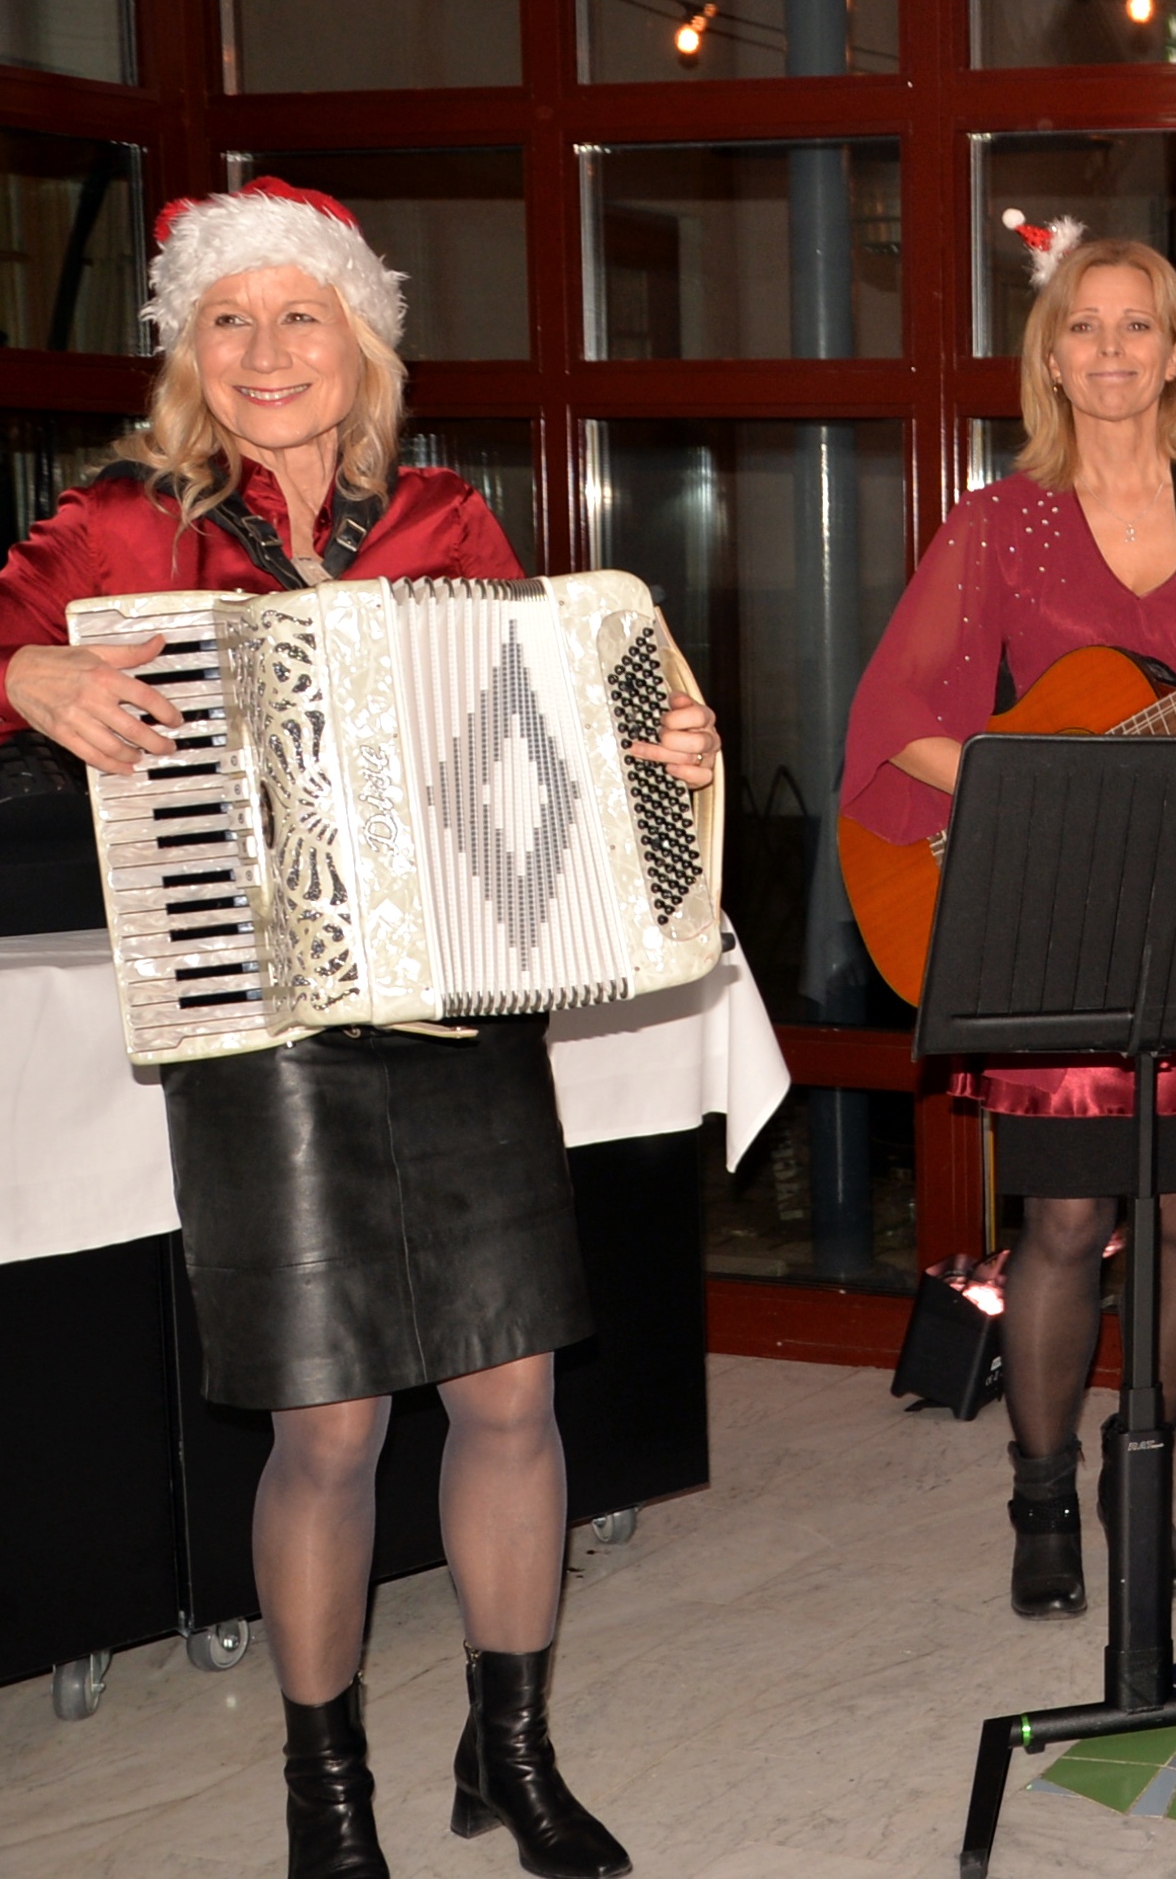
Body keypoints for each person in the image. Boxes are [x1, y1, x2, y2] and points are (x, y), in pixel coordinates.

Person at [0, 180, 720, 1879]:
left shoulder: (448, 515)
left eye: (299, 314)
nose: (266, 350)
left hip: (463, 1001)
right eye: (228, 318)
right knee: (328, 1422)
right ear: (187, 347)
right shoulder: (117, 523)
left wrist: (659, 748)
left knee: (511, 1390)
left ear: (360, 341)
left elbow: (550, 731)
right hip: (258, 1016)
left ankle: (511, 1747)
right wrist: (27, 676)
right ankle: (325, 1787)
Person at [839, 237, 1176, 1620]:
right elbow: (895, 717)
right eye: (1081, 326)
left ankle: (1131, 1484)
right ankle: (1040, 1493)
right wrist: (1028, 788)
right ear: (1050, 358)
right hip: (1054, 906)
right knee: (1067, 1214)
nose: (1108, 349)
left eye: (1136, 325)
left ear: (1175, 354)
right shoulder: (997, 522)